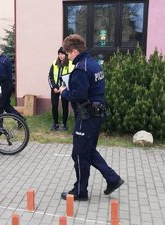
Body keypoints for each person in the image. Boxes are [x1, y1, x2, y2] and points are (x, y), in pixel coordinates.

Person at [59, 34, 124, 201]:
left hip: (86, 116)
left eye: (68, 53)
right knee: (87, 151)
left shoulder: (81, 68)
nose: (67, 56)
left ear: (74, 51)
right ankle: (113, 179)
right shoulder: (94, 64)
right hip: (96, 115)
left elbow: (78, 95)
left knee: (79, 154)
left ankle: (80, 191)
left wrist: (64, 92)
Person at [0, 44, 25, 121]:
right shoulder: (3, 59)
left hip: (4, 87)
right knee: (6, 106)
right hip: (6, 86)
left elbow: (1, 76)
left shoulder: (2, 61)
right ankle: (20, 119)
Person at [48, 47, 74, 131]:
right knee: (54, 106)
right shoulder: (54, 63)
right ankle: (55, 124)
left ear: (66, 55)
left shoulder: (70, 63)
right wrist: (54, 87)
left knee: (65, 106)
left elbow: (72, 77)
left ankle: (64, 124)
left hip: (65, 89)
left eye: (62, 54)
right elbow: (50, 76)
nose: (60, 56)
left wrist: (64, 87)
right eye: (59, 54)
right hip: (55, 88)